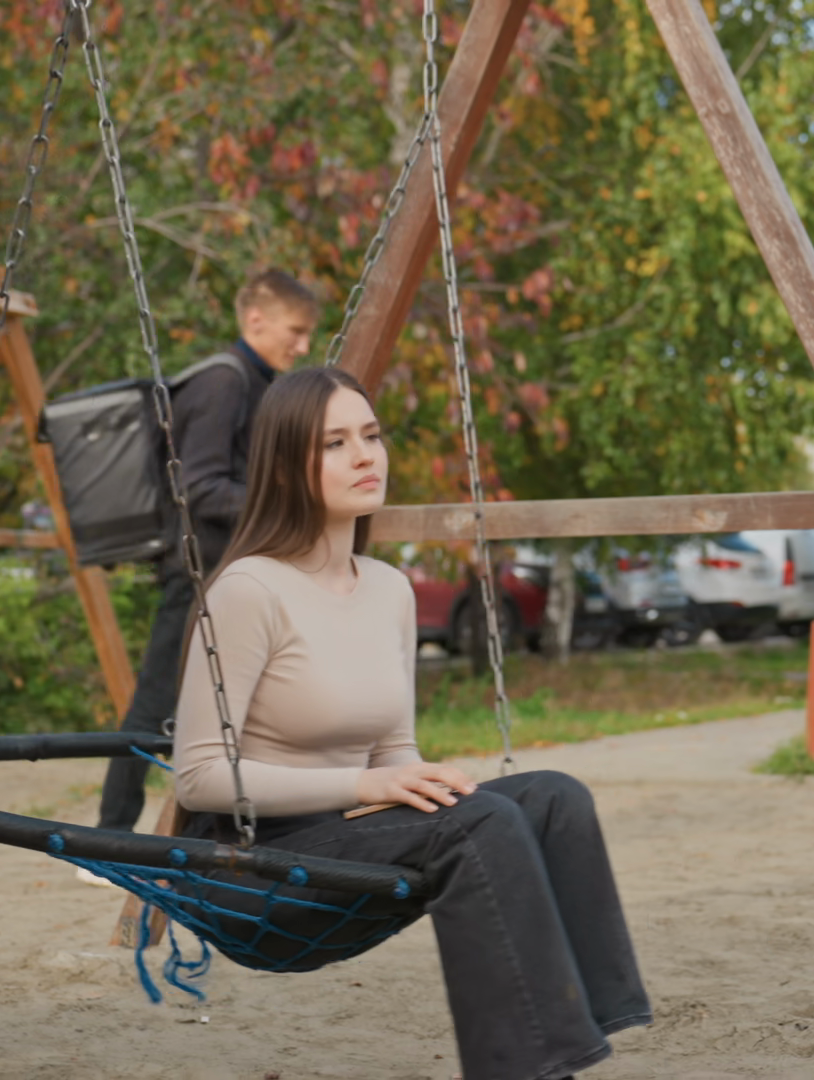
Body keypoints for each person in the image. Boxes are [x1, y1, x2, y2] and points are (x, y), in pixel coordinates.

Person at [174, 367, 651, 1080]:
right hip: (262, 866)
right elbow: (198, 777)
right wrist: (369, 784)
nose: (365, 456)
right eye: (335, 443)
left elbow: (396, 748)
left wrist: (417, 781)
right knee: (480, 822)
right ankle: (524, 1068)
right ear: (284, 467)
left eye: (371, 435)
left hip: (356, 835)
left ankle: (581, 1036)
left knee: (554, 798)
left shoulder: (389, 589)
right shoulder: (249, 589)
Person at [93, 269, 320, 834]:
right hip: (198, 575)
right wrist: (286, 506)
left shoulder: (261, 384)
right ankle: (110, 837)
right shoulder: (224, 383)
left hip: (234, 576)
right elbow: (198, 488)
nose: (303, 345)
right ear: (256, 319)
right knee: (154, 707)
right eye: (295, 331)